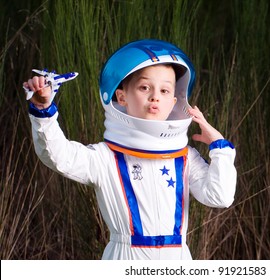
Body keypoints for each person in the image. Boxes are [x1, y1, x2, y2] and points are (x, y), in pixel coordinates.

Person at [23, 39, 237, 260]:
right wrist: (43, 111)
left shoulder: (185, 158)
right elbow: (57, 155)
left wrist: (220, 147)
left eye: (164, 90)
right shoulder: (105, 158)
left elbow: (220, 197)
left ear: (174, 101)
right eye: (145, 87)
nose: (155, 96)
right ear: (121, 96)